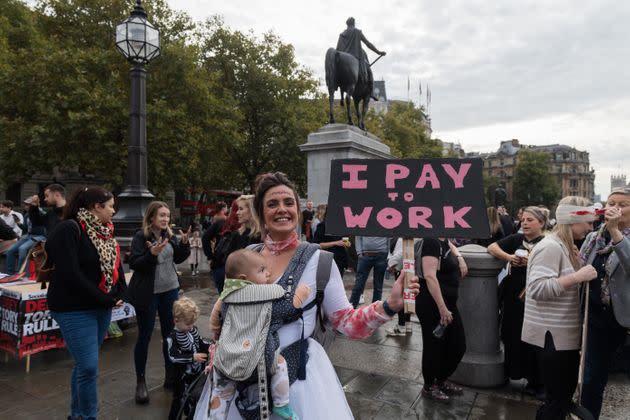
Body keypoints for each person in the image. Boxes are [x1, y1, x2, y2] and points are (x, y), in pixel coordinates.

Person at [196, 172, 419, 419]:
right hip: (239, 374)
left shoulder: (320, 261)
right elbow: (230, 308)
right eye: (272, 204)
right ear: (261, 214)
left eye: (289, 203)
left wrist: (390, 306)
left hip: (297, 385)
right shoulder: (248, 254)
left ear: (298, 212)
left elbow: (346, 322)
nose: (282, 209)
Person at [46, 186, 127, 420]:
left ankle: (77, 414)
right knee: (89, 367)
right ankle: (88, 416)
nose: (114, 211)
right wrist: (106, 298)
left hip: (100, 306)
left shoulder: (106, 229)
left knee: (84, 366)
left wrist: (121, 290)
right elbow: (70, 274)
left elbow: (115, 266)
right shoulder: (68, 229)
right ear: (96, 207)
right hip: (73, 308)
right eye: (111, 206)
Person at [208, 249, 310, 420]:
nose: (268, 273)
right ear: (243, 279)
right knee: (279, 363)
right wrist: (299, 297)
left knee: (221, 391)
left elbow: (221, 317)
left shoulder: (227, 299)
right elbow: (286, 310)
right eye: (262, 270)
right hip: (258, 357)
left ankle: (215, 416)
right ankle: (281, 404)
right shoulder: (266, 300)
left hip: (226, 356)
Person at [522, 196, 597, 419]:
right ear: (573, 220)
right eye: (589, 222)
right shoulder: (551, 247)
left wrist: (577, 266)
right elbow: (536, 289)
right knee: (556, 401)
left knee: (559, 399)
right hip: (551, 337)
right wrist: (577, 276)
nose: (591, 228)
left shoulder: (563, 246)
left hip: (559, 336)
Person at [126, 201, 191, 404]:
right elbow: (135, 263)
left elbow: (177, 258)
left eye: (168, 216)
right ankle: (141, 381)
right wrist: (151, 254)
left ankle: (170, 376)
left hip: (169, 290)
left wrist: (185, 244)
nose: (166, 219)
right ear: (152, 217)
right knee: (144, 336)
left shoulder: (168, 236)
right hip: (149, 293)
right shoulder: (141, 236)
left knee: (169, 334)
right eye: (162, 215)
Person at [580, 187, 630, 419]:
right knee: (592, 377)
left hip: (626, 320)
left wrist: (616, 233)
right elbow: (581, 269)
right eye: (611, 203)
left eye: (623, 204)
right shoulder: (594, 238)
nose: (615, 208)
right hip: (598, 319)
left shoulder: (619, 236)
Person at [487, 206, 547, 396]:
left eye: (530, 220)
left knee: (535, 337)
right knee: (512, 333)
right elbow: (492, 247)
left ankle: (535, 381)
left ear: (542, 223)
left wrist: (532, 262)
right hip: (514, 294)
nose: (525, 223)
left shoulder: (548, 243)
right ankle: (513, 372)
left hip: (536, 294)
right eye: (524, 220)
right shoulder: (515, 239)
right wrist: (509, 257)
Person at [416, 237, 468, 401]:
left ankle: (440, 380)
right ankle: (430, 386)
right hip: (433, 304)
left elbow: (450, 245)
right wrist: (442, 308)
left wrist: (459, 258)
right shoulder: (431, 241)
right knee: (434, 347)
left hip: (449, 304)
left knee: (458, 346)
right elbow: (430, 276)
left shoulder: (443, 239)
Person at [167, 297, 211, 420]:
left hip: (197, 373)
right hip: (182, 377)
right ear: (176, 320)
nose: (191, 327)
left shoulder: (193, 330)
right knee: (179, 400)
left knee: (195, 398)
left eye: (193, 323)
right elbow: (173, 357)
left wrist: (210, 347)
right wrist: (192, 357)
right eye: (188, 324)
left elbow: (200, 343)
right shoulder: (172, 338)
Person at [210, 195, 262, 294]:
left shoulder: (262, 236)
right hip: (236, 289)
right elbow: (228, 266)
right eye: (238, 209)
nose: (237, 212)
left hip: (256, 290)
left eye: (241, 209)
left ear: (252, 211)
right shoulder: (237, 235)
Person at [336, 17, 385, 91]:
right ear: (354, 23)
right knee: (369, 72)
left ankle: (335, 82)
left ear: (347, 25)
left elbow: (338, 50)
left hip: (343, 59)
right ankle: (371, 92)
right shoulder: (357, 32)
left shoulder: (342, 34)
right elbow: (368, 44)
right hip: (357, 57)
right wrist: (378, 52)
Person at [4, 197, 47, 274]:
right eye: (25, 204)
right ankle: (9, 273)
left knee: (22, 248)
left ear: (33, 205)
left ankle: (21, 272)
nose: (25, 206)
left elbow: (44, 229)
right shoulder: (27, 215)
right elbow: (25, 229)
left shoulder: (41, 213)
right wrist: (18, 223)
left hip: (40, 236)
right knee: (10, 251)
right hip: (29, 235)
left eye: (27, 204)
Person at [349, 236, 390, 308]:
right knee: (358, 285)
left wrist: (388, 254)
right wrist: (359, 253)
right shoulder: (364, 224)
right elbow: (358, 236)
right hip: (365, 256)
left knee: (378, 286)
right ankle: (351, 308)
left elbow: (389, 236)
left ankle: (374, 310)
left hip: (382, 255)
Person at [312, 206, 351, 276]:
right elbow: (317, 244)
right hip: (327, 260)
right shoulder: (322, 226)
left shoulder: (341, 225)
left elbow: (344, 241)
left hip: (340, 260)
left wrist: (347, 243)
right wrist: (335, 243)